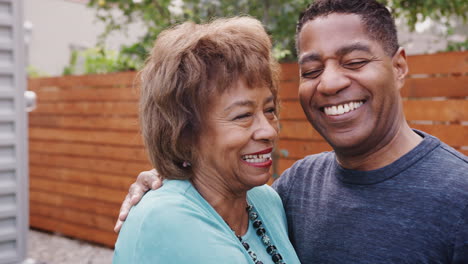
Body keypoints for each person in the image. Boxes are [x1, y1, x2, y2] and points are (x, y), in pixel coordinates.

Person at [116, 1, 468, 263]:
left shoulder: (459, 195)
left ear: (399, 67)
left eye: (355, 62)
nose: (329, 82)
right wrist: (170, 178)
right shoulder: (297, 187)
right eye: (312, 69)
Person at [112, 16, 301, 264]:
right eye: (243, 115)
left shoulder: (265, 201)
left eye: (269, 110)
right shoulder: (166, 219)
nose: (268, 130)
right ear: (184, 131)